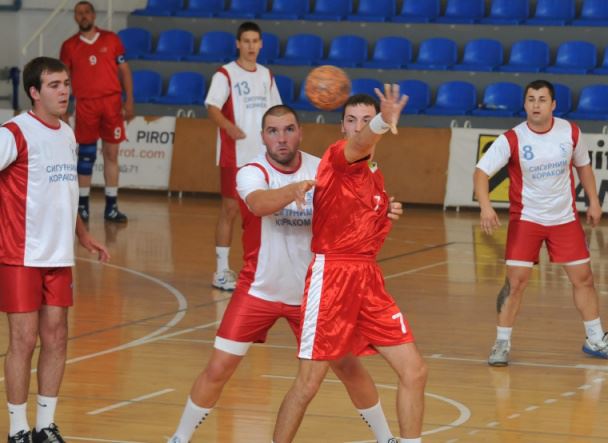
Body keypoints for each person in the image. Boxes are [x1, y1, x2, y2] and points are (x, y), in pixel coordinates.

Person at [169, 105, 399, 443]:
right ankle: (179, 438)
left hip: (314, 296)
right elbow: (259, 204)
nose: (281, 138)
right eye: (273, 131)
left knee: (348, 367)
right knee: (218, 368)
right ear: (263, 137)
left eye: (289, 129)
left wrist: (381, 211)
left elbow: (353, 214)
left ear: (300, 132)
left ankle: (386, 438)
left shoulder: (322, 168)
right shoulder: (251, 171)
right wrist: (293, 190)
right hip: (258, 292)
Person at [272, 90, 428, 443]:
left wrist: (385, 213)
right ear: (342, 126)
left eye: (365, 120)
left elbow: (358, 221)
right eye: (352, 120)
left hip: (367, 278)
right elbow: (360, 144)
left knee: (415, 371)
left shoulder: (373, 173)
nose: (358, 127)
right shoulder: (338, 157)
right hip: (333, 277)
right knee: (308, 384)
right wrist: (381, 121)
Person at [473, 79, 608, 367]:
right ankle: (502, 343)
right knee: (515, 283)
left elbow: (583, 166)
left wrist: (594, 201)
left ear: (553, 104)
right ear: (525, 104)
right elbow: (481, 172)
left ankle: (595, 339)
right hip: (527, 219)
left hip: (564, 218)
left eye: (542, 99)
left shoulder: (570, 131)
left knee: (584, 278)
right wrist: (486, 207)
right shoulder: (512, 138)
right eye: (531, 99)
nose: (536, 105)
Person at [0, 57, 110, 443]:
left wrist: (83, 234)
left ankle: (45, 426)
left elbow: (64, 191)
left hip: (59, 257)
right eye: (54, 85)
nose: (64, 91)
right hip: (20, 255)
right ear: (34, 92)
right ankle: (18, 429)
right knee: (23, 340)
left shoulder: (67, 133)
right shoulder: (13, 133)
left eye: (66, 83)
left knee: (57, 337)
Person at [205, 21, 282, 291]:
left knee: (264, 212)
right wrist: (228, 126)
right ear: (238, 44)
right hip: (234, 156)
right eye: (246, 41)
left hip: (263, 158)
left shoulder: (266, 75)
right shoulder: (225, 74)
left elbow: (277, 112)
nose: (251, 46)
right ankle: (221, 271)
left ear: (261, 44)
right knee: (230, 210)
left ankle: (259, 269)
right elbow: (212, 107)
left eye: (255, 41)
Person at [60, 0, 134, 223]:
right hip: (85, 105)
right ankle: (82, 207)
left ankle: (111, 207)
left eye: (86, 12)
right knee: (86, 156)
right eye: (79, 13)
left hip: (111, 104)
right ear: (75, 17)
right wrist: (64, 108)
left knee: (111, 154)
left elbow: (124, 70)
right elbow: (63, 79)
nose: (83, 16)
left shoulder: (111, 39)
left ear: (93, 15)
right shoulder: (69, 46)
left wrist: (129, 100)